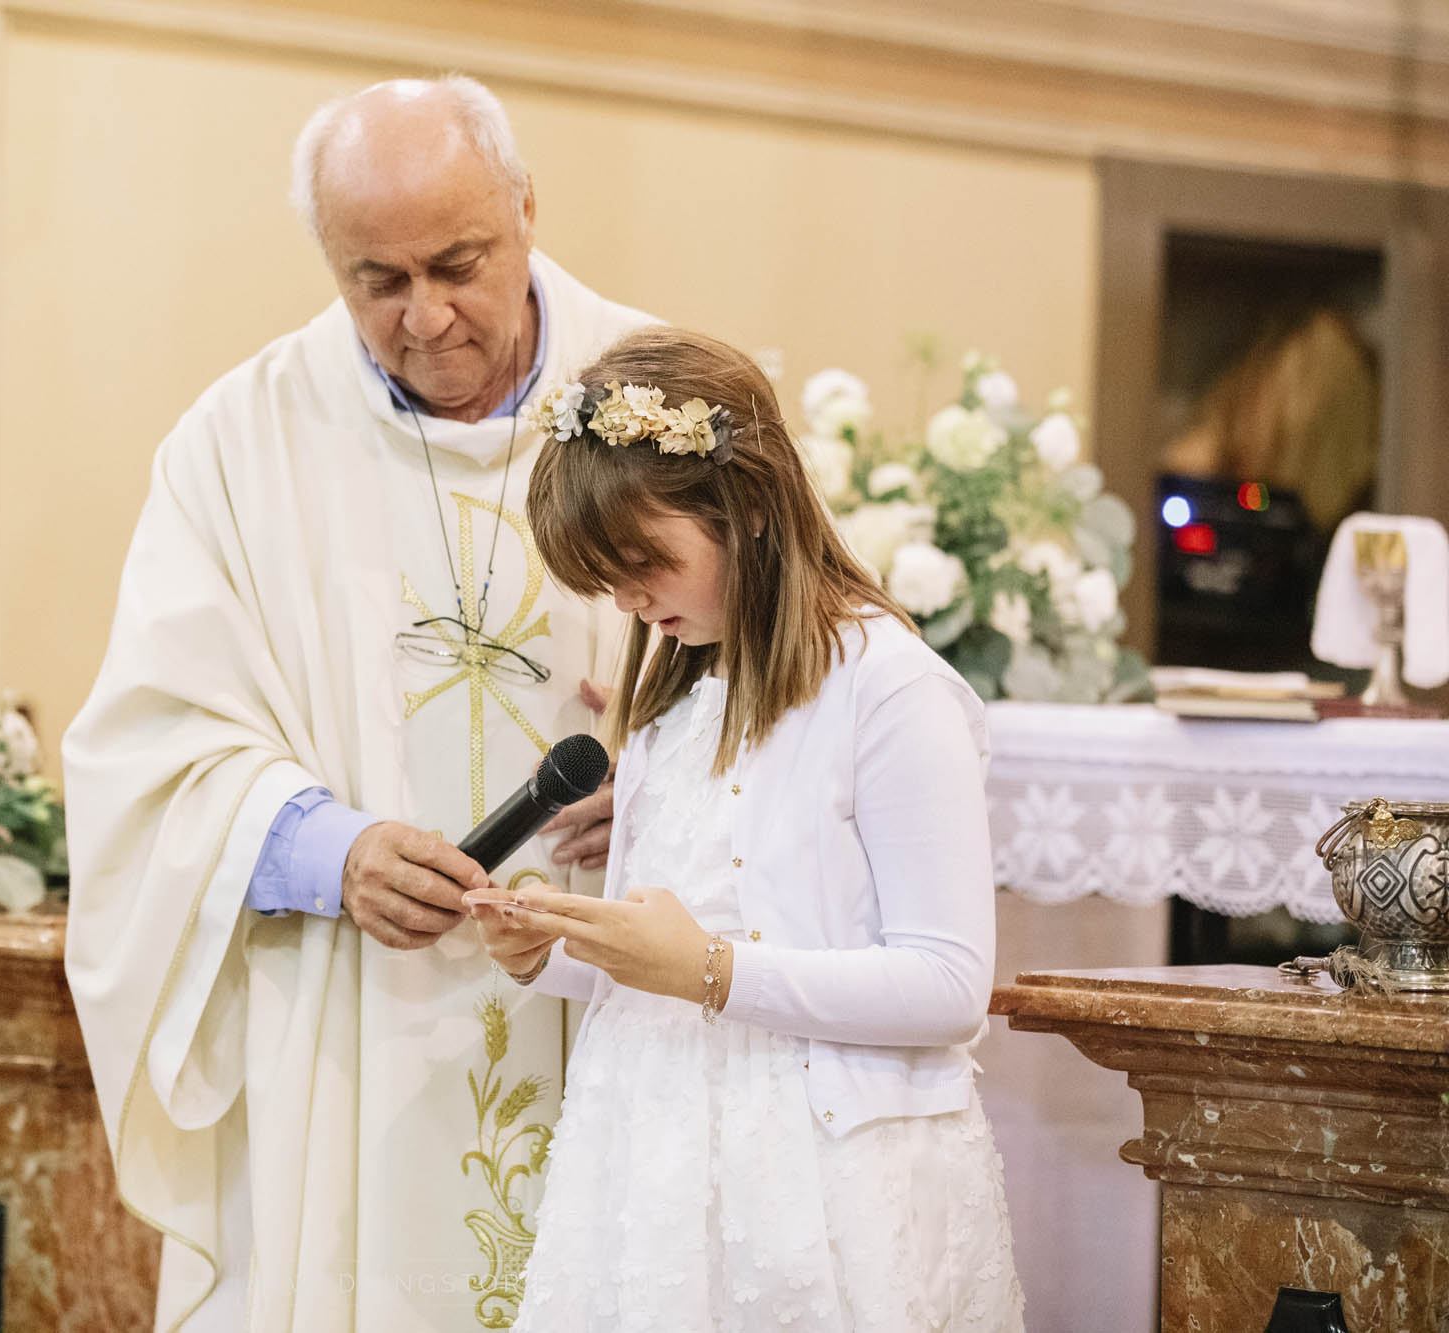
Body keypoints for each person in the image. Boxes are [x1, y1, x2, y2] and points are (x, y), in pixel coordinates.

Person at [61, 76, 652, 1331]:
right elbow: (144, 748)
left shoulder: (660, 405)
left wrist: (664, 781)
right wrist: (324, 850)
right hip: (349, 1030)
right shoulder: (236, 443)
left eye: (456, 262)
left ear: (527, 211)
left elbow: (800, 673)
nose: (424, 316)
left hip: (618, 1005)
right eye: (374, 280)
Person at [470, 326, 1025, 1330]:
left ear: (751, 509)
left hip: (820, 1177)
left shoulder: (887, 689)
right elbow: (664, 965)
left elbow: (947, 986)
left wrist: (712, 971)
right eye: (608, 582)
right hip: (658, 1167)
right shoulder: (679, 702)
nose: (632, 602)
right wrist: (546, 948)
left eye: (646, 562)